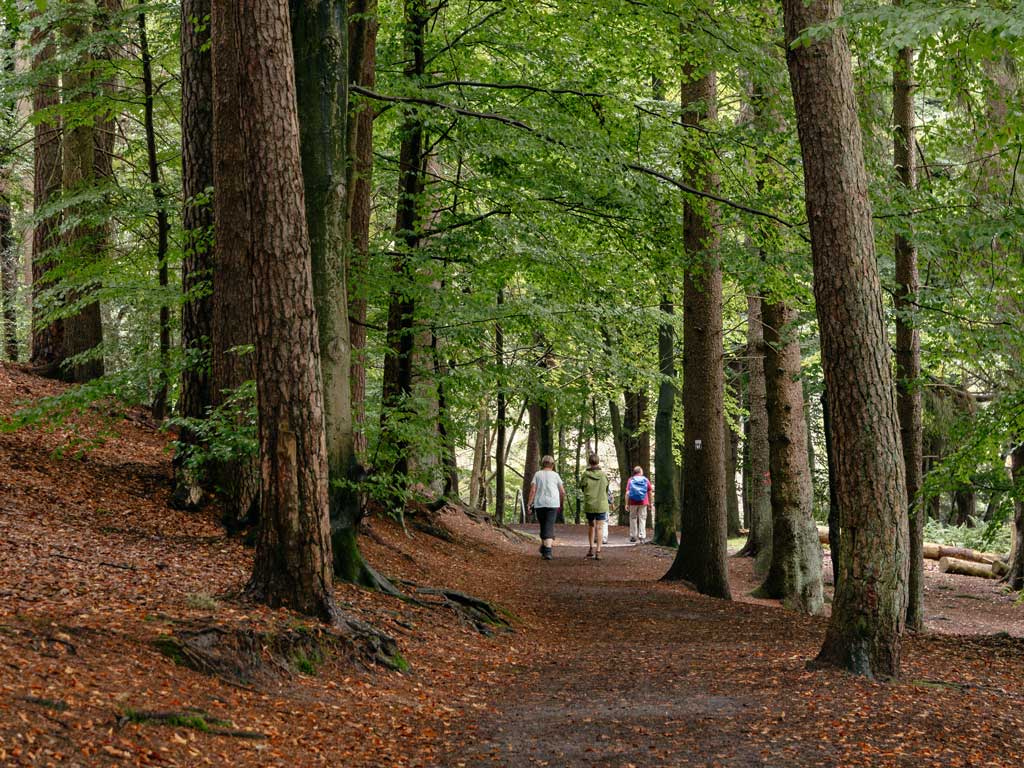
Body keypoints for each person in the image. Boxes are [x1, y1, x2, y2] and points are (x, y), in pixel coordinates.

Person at [527, 454, 565, 560]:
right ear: (553, 464)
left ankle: (547, 550)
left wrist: (529, 503)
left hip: (540, 503)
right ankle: (545, 548)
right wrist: (561, 503)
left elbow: (533, 490)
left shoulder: (537, 474)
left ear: (542, 464)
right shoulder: (555, 475)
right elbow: (562, 491)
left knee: (544, 525)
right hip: (553, 503)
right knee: (548, 525)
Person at [580, 454, 610, 559]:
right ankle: (598, 551)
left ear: (589, 462)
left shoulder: (585, 475)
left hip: (590, 504)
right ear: (598, 462)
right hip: (601, 504)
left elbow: (582, 487)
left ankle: (591, 548)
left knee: (591, 526)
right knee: (600, 527)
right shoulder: (603, 475)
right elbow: (607, 488)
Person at [625, 466, 654, 543]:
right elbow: (650, 492)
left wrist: (626, 504)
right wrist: (650, 503)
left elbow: (627, 493)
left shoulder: (630, 480)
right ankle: (642, 536)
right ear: (640, 472)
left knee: (633, 518)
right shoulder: (645, 479)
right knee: (642, 519)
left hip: (633, 502)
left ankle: (633, 536)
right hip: (643, 502)